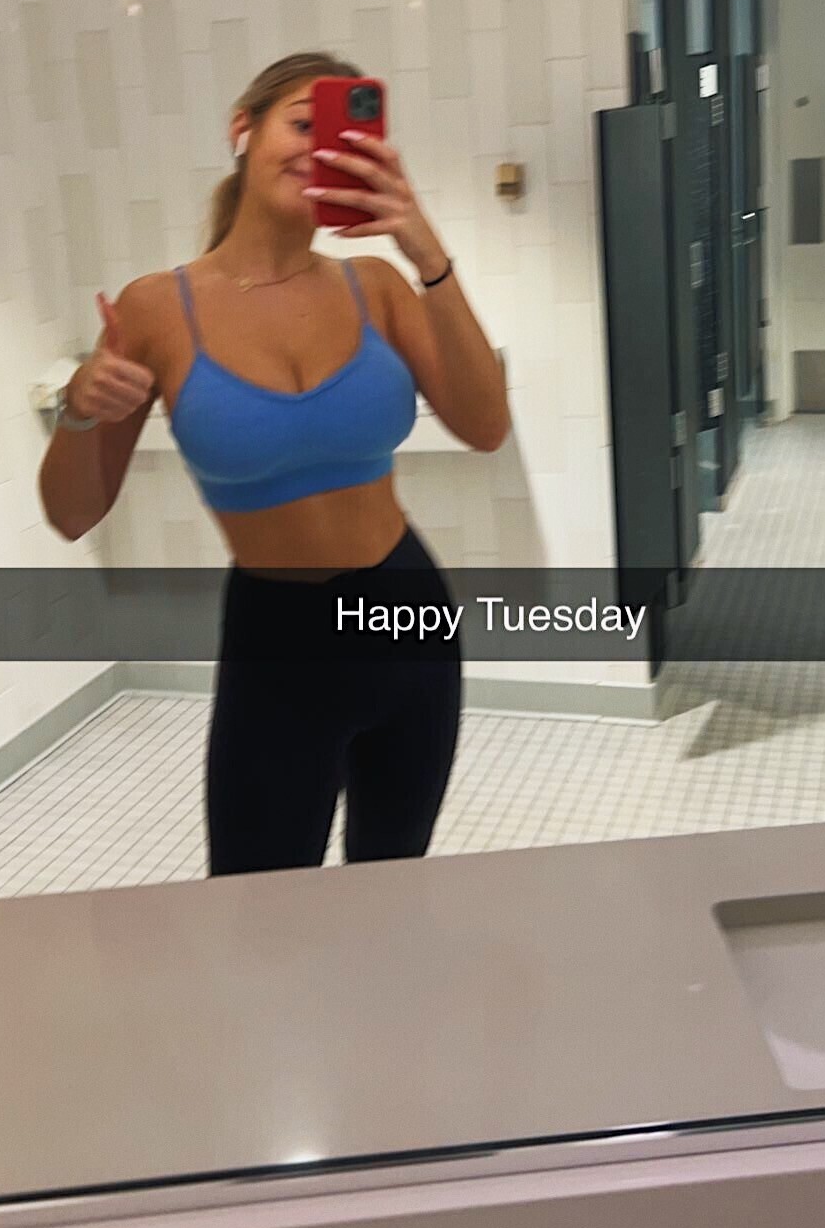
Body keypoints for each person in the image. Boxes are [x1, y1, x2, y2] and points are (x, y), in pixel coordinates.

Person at [38, 52, 510, 876]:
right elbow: (73, 514)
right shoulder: (158, 308)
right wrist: (80, 408)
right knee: (255, 901)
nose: (317, 149)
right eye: (301, 123)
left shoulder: (378, 287)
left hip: (407, 618)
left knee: (395, 885)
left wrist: (425, 250)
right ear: (243, 129)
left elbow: (486, 425)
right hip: (278, 640)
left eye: (341, 137)